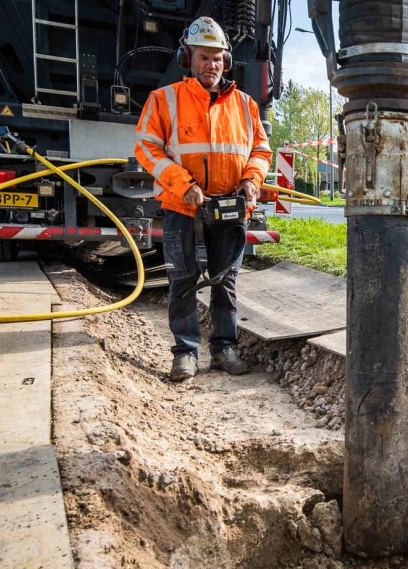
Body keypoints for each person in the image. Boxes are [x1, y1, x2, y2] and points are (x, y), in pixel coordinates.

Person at [134, 16, 272, 381]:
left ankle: (223, 348)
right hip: (183, 206)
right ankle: (185, 353)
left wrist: (251, 180)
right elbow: (146, 147)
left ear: (226, 61)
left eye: (217, 58)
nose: (211, 65)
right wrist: (184, 185)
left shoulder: (245, 105)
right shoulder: (164, 100)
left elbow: (260, 150)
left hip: (230, 208)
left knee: (226, 281)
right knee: (183, 279)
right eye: (203, 57)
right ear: (188, 58)